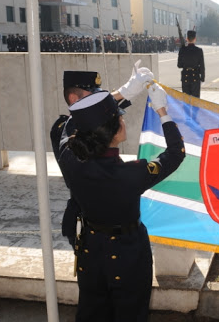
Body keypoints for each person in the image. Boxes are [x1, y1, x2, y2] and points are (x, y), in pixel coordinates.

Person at [58, 86, 185, 322]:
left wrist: (120, 93)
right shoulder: (131, 174)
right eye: (120, 118)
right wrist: (163, 113)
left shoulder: (69, 159)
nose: (123, 120)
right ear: (113, 132)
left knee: (91, 320)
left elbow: (70, 128)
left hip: (90, 251)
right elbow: (175, 153)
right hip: (128, 254)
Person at [51, 64, 153, 247]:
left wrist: (126, 93)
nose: (100, 102)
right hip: (89, 226)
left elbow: (103, 115)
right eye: (94, 96)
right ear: (74, 99)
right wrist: (123, 92)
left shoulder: (91, 124)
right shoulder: (63, 129)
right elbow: (90, 118)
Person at [177, 30, 205, 98]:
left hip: (185, 77)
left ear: (187, 39)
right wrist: (202, 78)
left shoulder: (182, 50)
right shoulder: (199, 50)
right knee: (195, 101)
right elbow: (202, 66)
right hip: (195, 77)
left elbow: (179, 65)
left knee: (186, 101)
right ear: (195, 39)